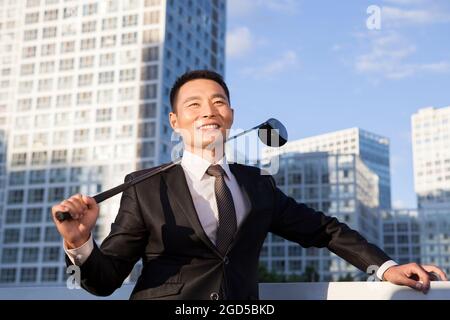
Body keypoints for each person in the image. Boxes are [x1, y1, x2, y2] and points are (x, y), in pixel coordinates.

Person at [52, 70, 447, 300]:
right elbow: (105, 281)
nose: (209, 110)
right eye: (194, 104)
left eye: (219, 102)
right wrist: (80, 242)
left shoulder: (258, 185)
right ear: (175, 122)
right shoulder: (144, 187)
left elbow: (325, 230)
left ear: (231, 115)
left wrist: (386, 267)